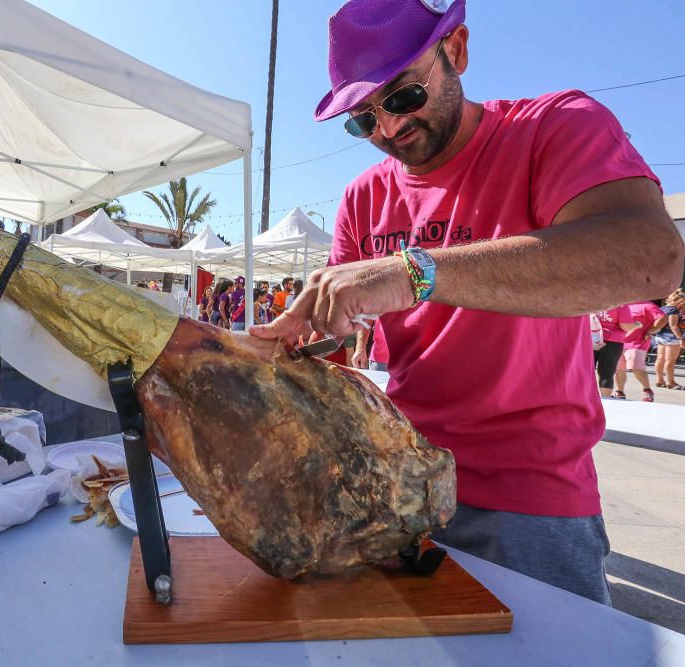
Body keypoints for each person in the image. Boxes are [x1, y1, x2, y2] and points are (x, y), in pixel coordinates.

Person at [251, 0, 683, 604]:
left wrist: (413, 272)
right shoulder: (362, 197)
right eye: (362, 121)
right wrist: (302, 344)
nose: (389, 130)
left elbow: (650, 258)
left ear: (455, 51)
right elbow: (343, 338)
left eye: (401, 98)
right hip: (394, 485)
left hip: (528, 498)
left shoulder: (552, 127)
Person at [614, 300, 665, 402]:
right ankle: (619, 392)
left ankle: (647, 390)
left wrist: (650, 331)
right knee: (619, 368)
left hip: (637, 343)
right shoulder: (624, 304)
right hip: (619, 340)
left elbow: (663, 318)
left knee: (635, 367)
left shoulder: (647, 305)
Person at [595, 305, 640, 398]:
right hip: (612, 341)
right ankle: (605, 400)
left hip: (590, 338)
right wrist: (637, 324)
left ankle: (580, 397)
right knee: (607, 373)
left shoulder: (591, 299)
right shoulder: (620, 304)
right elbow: (626, 326)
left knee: (584, 370)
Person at [654, 291, 685, 389]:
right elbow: (673, 326)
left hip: (660, 336)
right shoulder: (673, 310)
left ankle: (659, 380)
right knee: (670, 360)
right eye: (683, 302)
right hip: (671, 338)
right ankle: (670, 382)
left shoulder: (663, 308)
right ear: (679, 301)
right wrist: (680, 338)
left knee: (660, 358)